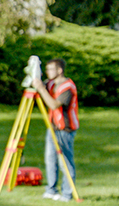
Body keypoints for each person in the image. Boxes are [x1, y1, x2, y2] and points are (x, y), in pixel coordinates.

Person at [31, 58, 79, 202]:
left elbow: (53, 105)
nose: (48, 72)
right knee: (50, 159)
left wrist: (40, 88)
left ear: (60, 70)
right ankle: (51, 190)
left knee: (65, 162)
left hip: (65, 128)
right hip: (52, 127)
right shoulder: (50, 83)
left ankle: (67, 193)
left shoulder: (68, 87)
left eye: (51, 69)